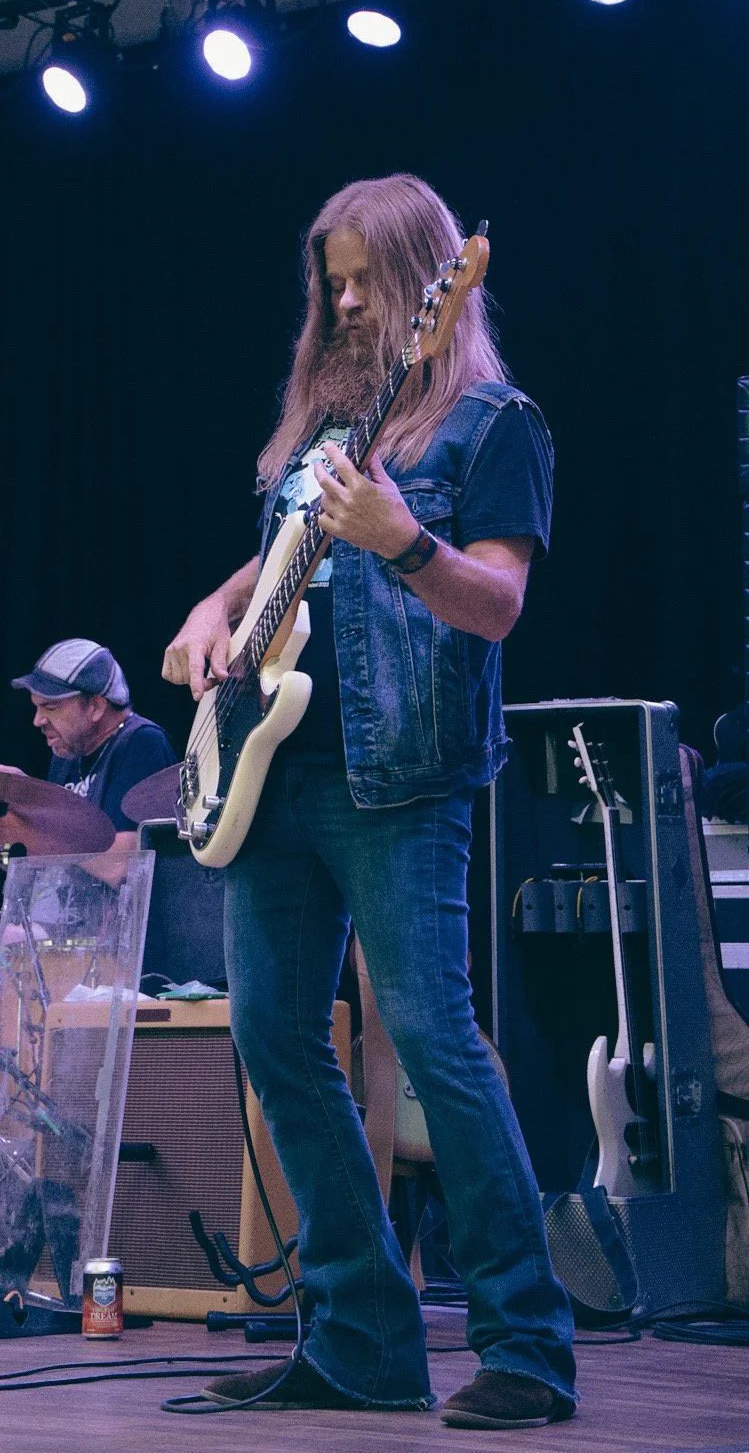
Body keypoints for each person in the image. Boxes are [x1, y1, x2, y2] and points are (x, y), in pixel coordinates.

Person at [162, 174, 578, 1429]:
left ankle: (525, 1345)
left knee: (438, 1047)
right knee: (275, 1043)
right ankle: (357, 1338)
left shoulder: (493, 424)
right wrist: (210, 607)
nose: (343, 301)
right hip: (271, 771)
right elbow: (287, 545)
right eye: (328, 280)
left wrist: (404, 540)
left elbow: (497, 606)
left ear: (432, 283)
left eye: (364, 279)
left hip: (397, 778)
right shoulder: (326, 435)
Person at [6, 638, 176, 850]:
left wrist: (34, 817)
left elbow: (125, 859)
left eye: (50, 707)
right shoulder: (67, 751)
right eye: (36, 708)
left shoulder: (141, 742)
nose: (37, 720)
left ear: (96, 706)